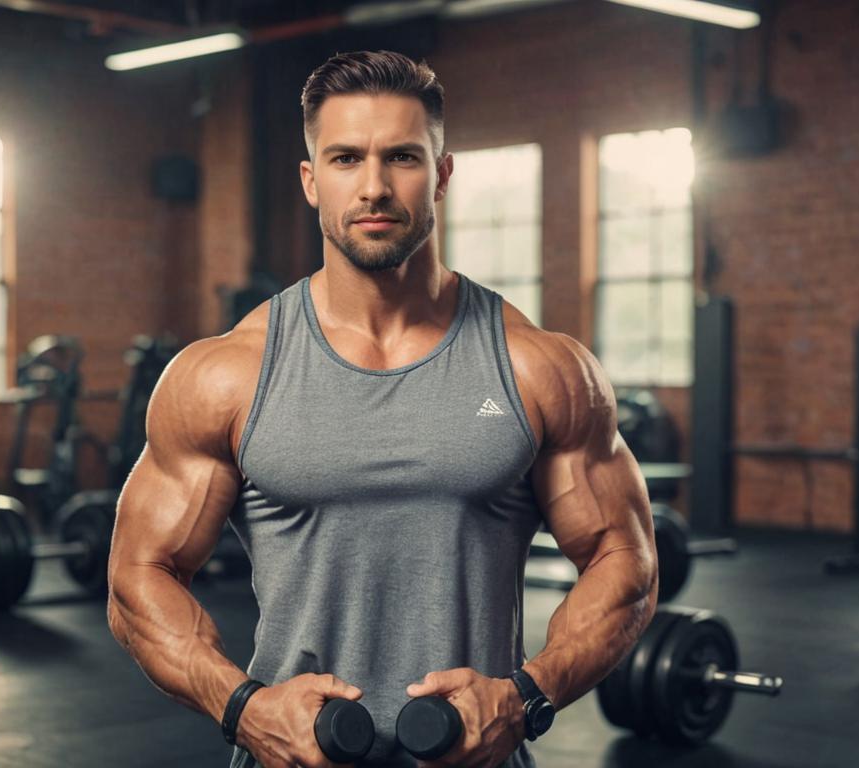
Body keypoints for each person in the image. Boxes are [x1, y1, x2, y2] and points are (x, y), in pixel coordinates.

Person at [107, 50, 657, 768]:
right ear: (310, 181)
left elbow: (626, 560)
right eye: (344, 159)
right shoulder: (226, 375)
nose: (373, 186)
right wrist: (242, 706)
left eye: (401, 156)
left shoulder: (539, 367)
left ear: (442, 175)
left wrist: (528, 695)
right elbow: (137, 576)